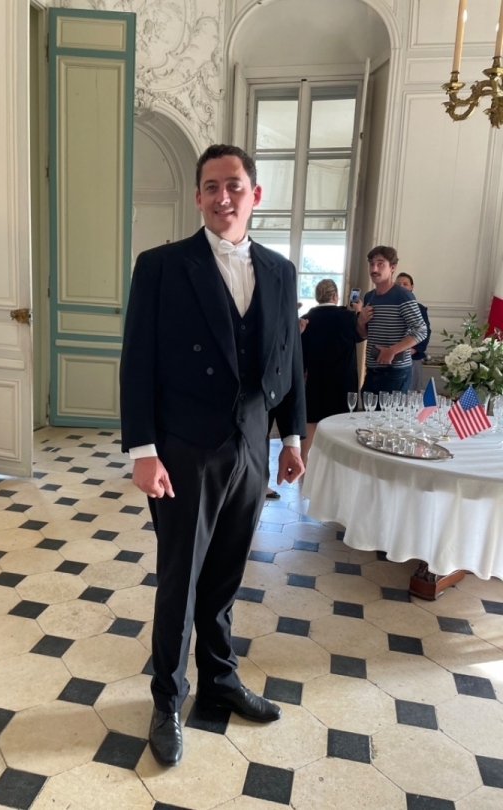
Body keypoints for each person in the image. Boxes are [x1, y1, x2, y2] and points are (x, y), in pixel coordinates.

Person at [119, 144, 306, 767]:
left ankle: (220, 679)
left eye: (233, 185)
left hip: (251, 445)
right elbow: (137, 363)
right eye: (210, 187)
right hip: (184, 448)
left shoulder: (280, 270)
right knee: (181, 579)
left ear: (255, 194)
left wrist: (291, 437)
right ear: (198, 197)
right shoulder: (161, 266)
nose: (222, 197)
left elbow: (289, 358)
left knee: (225, 576)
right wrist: (143, 450)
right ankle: (167, 699)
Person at [300, 278, 363, 466]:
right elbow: (360, 336)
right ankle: (338, 462)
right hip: (343, 378)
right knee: (342, 419)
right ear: (335, 296)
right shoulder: (348, 317)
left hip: (316, 377)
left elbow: (302, 350)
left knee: (311, 419)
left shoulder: (307, 318)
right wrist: (359, 312)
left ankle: (303, 459)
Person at [358, 246, 427, 395]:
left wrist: (392, 350)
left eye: (380, 264)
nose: (374, 269)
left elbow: (421, 330)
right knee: (367, 409)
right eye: (371, 264)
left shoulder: (403, 296)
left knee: (389, 411)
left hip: (396, 372)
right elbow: (364, 335)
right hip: (372, 370)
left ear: (393, 267)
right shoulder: (369, 297)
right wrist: (361, 321)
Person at [395, 272, 431, 391]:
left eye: (405, 284)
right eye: (398, 284)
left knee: (411, 394)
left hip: (411, 357)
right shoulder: (388, 305)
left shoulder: (419, 308)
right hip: (390, 358)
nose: (401, 287)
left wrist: (413, 350)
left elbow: (425, 332)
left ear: (412, 287)